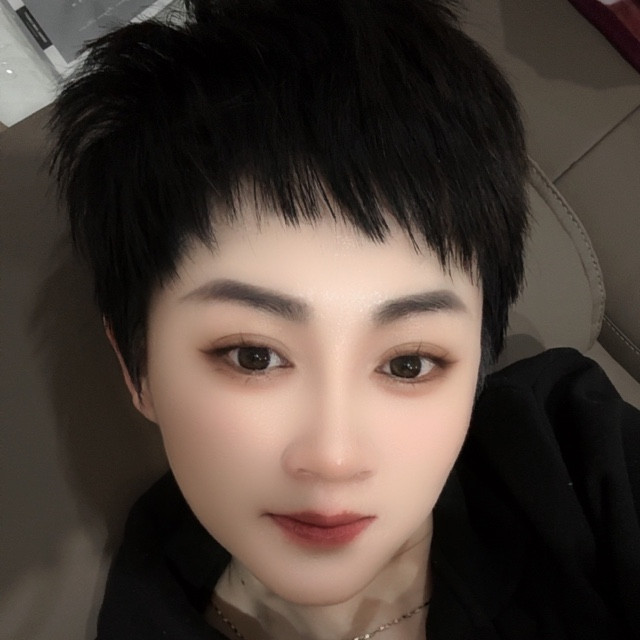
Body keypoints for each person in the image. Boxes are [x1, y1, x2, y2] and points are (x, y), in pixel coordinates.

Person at [49, 0, 640, 638]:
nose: (333, 459)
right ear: (136, 366)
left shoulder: (575, 453)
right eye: (254, 356)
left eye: (409, 363)